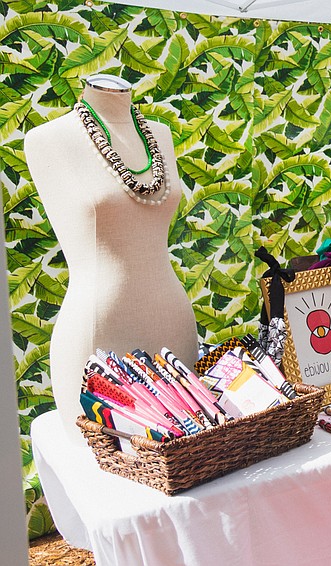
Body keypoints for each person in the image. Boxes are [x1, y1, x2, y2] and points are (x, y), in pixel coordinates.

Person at [24, 75, 199, 444]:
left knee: (183, 463)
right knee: (103, 469)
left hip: (173, 324)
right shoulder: (49, 140)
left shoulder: (159, 134)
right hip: (95, 334)